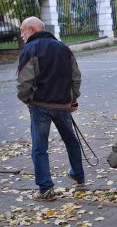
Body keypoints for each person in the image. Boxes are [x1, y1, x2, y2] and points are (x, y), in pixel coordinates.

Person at [17, 16, 84, 201]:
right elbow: (75, 77)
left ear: (31, 30)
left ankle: (46, 189)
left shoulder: (29, 49)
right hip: (63, 105)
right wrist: (73, 99)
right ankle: (79, 175)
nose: (21, 35)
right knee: (71, 140)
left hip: (40, 106)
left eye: (22, 30)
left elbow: (24, 81)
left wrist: (26, 99)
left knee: (40, 148)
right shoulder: (63, 48)